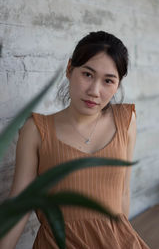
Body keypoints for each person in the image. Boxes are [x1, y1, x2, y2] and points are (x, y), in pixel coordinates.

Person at [0, 31, 150, 248]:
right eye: (87, 74)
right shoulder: (36, 130)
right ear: (70, 69)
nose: (94, 91)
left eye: (108, 80)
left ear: (118, 84)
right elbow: (19, 207)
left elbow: (123, 194)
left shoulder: (126, 120)